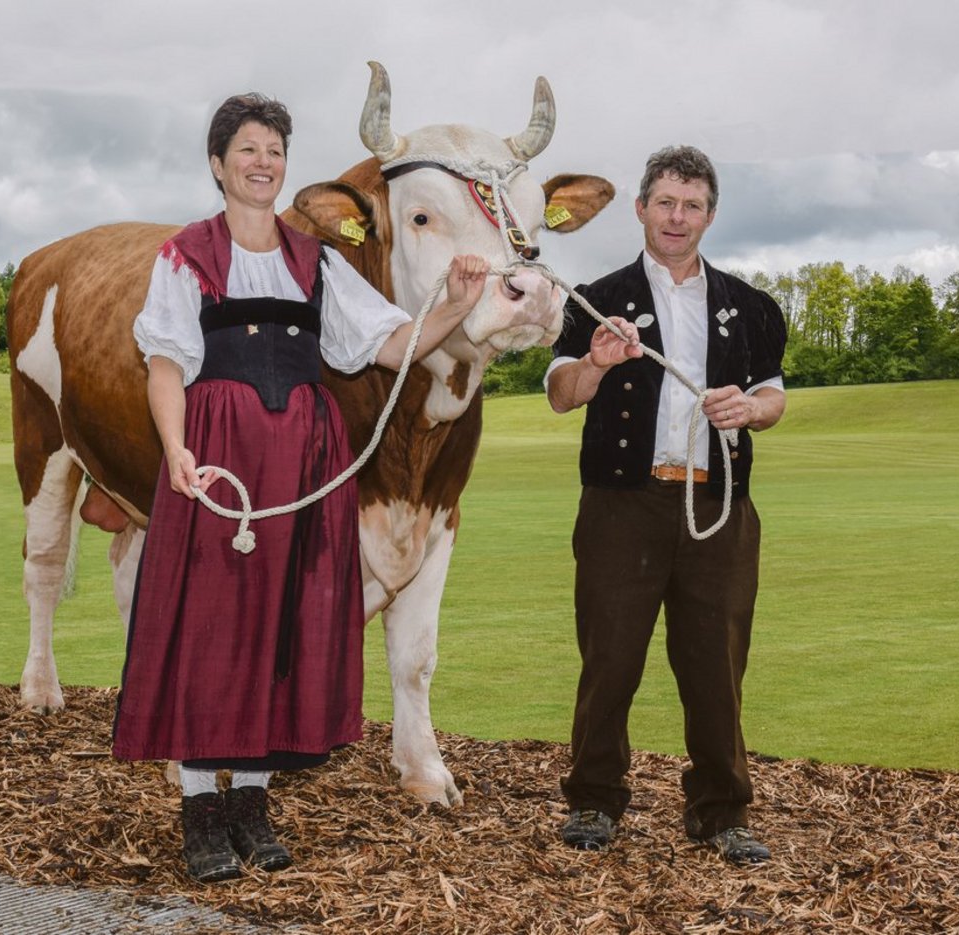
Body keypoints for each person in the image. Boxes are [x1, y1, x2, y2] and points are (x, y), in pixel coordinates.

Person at [111, 92, 489, 883]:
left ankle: (250, 805)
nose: (262, 163)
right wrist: (177, 450)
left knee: (273, 625)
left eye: (274, 150)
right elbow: (166, 363)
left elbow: (391, 346)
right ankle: (199, 812)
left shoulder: (314, 260)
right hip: (217, 456)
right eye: (246, 149)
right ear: (218, 165)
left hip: (301, 460)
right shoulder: (186, 255)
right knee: (209, 628)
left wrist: (454, 300)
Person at [545, 145, 788, 864]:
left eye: (691, 205)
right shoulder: (596, 296)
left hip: (718, 505)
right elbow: (561, 395)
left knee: (716, 662)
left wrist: (749, 407)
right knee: (611, 656)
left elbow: (775, 397)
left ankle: (721, 811)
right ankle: (593, 799)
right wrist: (596, 360)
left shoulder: (750, 306)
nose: (676, 217)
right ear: (641, 208)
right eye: (665, 202)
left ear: (709, 215)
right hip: (624, 503)